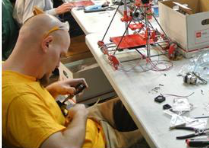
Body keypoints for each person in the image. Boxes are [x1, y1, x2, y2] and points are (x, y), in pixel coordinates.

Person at [2, 14, 144, 148]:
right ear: (47, 43)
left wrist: (53, 89)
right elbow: (66, 146)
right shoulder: (19, 99)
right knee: (156, 135)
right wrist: (81, 114)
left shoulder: (6, 70)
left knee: (136, 103)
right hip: (98, 141)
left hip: (85, 122)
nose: (58, 64)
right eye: (60, 55)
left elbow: (33, 105)